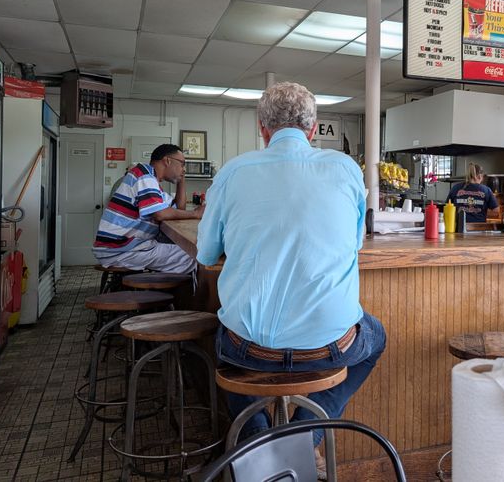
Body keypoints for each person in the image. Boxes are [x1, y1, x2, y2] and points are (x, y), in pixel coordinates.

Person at [197, 82, 385, 473]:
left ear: (262, 129)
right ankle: (305, 435)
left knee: (225, 350)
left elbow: (206, 254)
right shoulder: (346, 168)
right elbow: (355, 244)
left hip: (249, 348)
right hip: (332, 345)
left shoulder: (234, 171)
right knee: (375, 338)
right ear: (314, 129)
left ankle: (261, 454)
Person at [93, 144, 203, 274]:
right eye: (182, 164)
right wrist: (196, 213)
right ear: (167, 161)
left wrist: (181, 179)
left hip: (124, 248)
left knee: (184, 250)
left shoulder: (153, 184)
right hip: (122, 250)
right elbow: (160, 214)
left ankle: (165, 290)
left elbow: (179, 208)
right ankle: (178, 293)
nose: (184, 169)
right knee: (196, 256)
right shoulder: (144, 174)